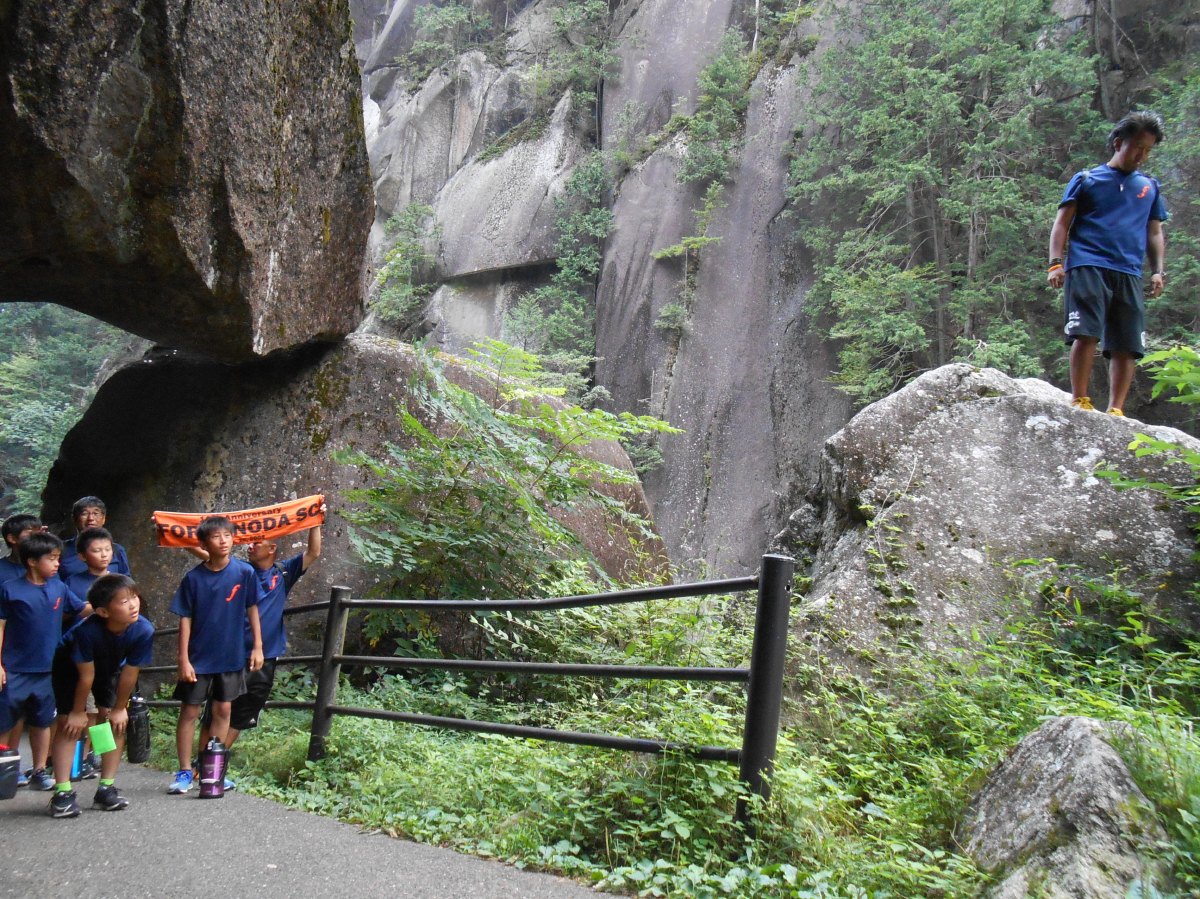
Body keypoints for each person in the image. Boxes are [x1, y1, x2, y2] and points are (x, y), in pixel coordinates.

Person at [1047, 110, 1169, 417]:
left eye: (1147, 150)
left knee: (1127, 343)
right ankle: (1080, 399)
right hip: (1088, 264)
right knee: (1085, 332)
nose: (1142, 156)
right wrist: (1055, 263)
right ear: (1118, 143)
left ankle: (1116, 409)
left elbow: (1154, 231)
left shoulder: (1149, 187)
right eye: (1137, 147)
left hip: (1128, 270)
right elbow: (1062, 223)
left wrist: (1157, 271)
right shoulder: (1087, 180)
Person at [198, 521, 322, 783]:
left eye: (256, 543)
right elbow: (208, 556)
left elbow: (313, 553)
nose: (250, 547)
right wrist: (178, 535)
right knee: (217, 710)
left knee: (244, 713)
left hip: (265, 656)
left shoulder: (284, 572)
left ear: (271, 549)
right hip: (232, 653)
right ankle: (201, 766)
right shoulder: (240, 571)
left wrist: (315, 522)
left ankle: (212, 766)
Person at [167, 516, 264, 795]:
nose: (223, 541)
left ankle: (213, 770)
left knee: (223, 710)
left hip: (230, 655)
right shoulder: (193, 578)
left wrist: (257, 646)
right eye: (216, 536)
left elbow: (252, 608)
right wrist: (183, 659)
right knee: (190, 711)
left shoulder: (244, 572)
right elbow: (185, 618)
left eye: (227, 535)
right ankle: (185, 771)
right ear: (203, 543)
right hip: (198, 657)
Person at [47, 574, 153, 817]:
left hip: (107, 668)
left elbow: (130, 672)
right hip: (70, 669)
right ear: (103, 612)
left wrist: (119, 707)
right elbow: (85, 677)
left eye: (134, 597)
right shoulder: (86, 632)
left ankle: (105, 788)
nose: (133, 604)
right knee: (69, 725)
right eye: (124, 601)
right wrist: (77, 712)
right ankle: (62, 793)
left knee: (114, 722)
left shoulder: (143, 629)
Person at [0, 532, 90, 791]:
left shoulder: (59, 587)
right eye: (51, 558)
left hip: (48, 669)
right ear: (31, 561)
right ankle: (5, 771)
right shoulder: (10, 589)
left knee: (42, 721)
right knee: (5, 721)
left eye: (58, 558)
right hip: (14, 668)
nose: (57, 563)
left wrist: (109, 604)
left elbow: (81, 608)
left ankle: (39, 770)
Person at [59, 497, 131, 580]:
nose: (90, 518)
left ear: (103, 519)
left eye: (96, 513)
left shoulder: (117, 550)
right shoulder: (61, 550)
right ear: (74, 519)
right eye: (84, 514)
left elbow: (126, 582)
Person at [0, 515, 43, 584]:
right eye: (31, 533)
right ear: (12, 538)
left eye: (40, 533)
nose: (38, 537)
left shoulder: (48, 565)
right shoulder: (2, 569)